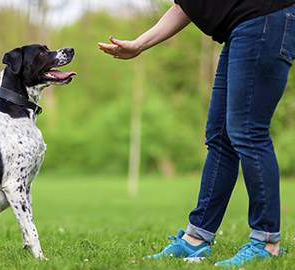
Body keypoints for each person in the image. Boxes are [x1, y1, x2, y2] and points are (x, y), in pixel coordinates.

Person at [98, 1, 295, 268]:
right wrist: (139, 44)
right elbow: (187, 6)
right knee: (220, 138)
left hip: (263, 19)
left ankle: (267, 242)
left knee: (248, 131)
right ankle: (197, 237)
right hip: (241, 28)